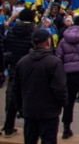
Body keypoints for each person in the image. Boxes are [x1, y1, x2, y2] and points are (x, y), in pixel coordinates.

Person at [13, 29, 67, 144]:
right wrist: (62, 103)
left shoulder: (22, 62)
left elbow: (15, 89)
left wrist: (20, 107)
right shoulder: (54, 62)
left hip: (29, 110)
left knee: (29, 140)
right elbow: (60, 88)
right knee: (48, 140)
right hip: (49, 111)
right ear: (48, 41)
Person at [2, 8, 36, 138]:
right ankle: (30, 129)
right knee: (31, 99)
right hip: (31, 69)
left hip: (15, 68)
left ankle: (8, 127)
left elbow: (7, 47)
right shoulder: (34, 31)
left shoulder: (11, 32)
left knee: (12, 99)